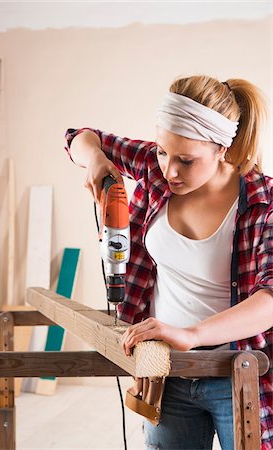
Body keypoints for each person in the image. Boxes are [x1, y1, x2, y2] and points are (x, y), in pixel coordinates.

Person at [64, 75, 272, 450]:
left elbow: (269, 299)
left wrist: (191, 335)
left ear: (222, 148)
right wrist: (95, 159)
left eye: (186, 160)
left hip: (236, 374)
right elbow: (78, 137)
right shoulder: (155, 170)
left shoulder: (264, 201)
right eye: (162, 151)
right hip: (165, 370)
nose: (169, 170)